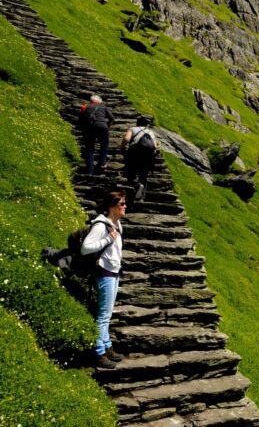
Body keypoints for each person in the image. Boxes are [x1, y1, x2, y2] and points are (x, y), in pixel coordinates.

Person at [81, 190, 126, 369]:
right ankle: (99, 353)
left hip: (114, 272)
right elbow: (85, 248)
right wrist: (107, 239)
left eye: (124, 203)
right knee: (103, 316)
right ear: (111, 206)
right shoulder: (101, 226)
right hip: (104, 273)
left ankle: (107, 347)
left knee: (107, 315)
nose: (125, 206)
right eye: (121, 203)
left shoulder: (117, 225)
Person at [120, 115, 158, 202]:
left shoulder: (132, 129)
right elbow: (155, 147)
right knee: (143, 175)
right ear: (146, 124)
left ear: (137, 123)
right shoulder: (150, 132)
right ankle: (141, 198)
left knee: (130, 171)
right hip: (148, 155)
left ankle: (136, 184)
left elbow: (126, 139)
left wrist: (122, 147)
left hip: (135, 153)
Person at [80, 95, 115, 175]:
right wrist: (108, 126)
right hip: (102, 127)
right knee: (104, 145)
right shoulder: (103, 107)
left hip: (90, 128)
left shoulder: (85, 106)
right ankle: (102, 163)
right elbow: (112, 117)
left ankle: (90, 171)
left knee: (90, 148)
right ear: (99, 101)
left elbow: (81, 119)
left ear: (91, 100)